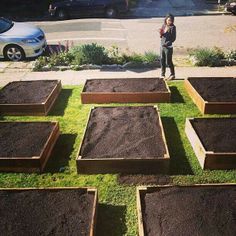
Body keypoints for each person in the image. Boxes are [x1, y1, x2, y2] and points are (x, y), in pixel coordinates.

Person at [159, 14, 176, 80]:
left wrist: (167, 44)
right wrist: (160, 33)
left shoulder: (173, 27)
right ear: (166, 20)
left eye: (171, 20)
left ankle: (172, 74)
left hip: (168, 47)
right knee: (162, 60)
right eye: (168, 20)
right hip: (162, 46)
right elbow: (162, 36)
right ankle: (162, 74)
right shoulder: (164, 26)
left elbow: (173, 38)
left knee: (168, 61)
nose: (169, 22)